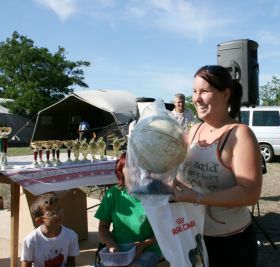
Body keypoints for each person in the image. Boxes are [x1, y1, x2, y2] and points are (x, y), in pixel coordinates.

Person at [171, 65, 263, 267]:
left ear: (225, 94)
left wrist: (197, 198)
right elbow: (179, 173)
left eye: (204, 91)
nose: (196, 98)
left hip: (229, 243)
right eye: (194, 91)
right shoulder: (194, 130)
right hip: (192, 236)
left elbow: (250, 193)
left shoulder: (240, 134)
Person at [95, 152, 162, 267]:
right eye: (129, 167)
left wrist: (143, 245)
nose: (134, 171)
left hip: (148, 249)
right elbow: (103, 227)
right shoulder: (113, 194)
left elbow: (163, 230)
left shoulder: (154, 195)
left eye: (137, 167)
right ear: (121, 171)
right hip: (120, 248)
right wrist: (112, 246)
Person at [21, 192, 80, 267]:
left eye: (59, 209)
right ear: (40, 220)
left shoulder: (71, 236)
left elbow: (71, 261)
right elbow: (26, 264)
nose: (58, 215)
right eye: (51, 213)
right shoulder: (30, 240)